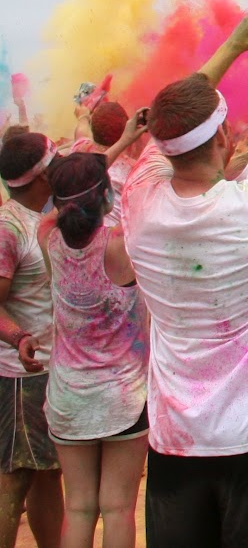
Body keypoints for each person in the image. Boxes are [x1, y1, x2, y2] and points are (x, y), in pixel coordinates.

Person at [119, 0, 248, 548]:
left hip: (174, 442)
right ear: (224, 140)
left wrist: (233, 47)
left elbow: (170, 124)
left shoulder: (139, 198)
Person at [40, 149, 150, 548]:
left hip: (68, 396)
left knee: (80, 507)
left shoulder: (47, 239)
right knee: (118, 507)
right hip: (122, 397)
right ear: (106, 195)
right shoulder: (120, 247)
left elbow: (58, 213)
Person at [0, 131, 64, 548]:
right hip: (19, 378)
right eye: (53, 165)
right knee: (14, 479)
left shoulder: (40, 215)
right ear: (40, 177)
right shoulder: (8, 228)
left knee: (48, 473)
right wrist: (20, 337)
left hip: (47, 370)